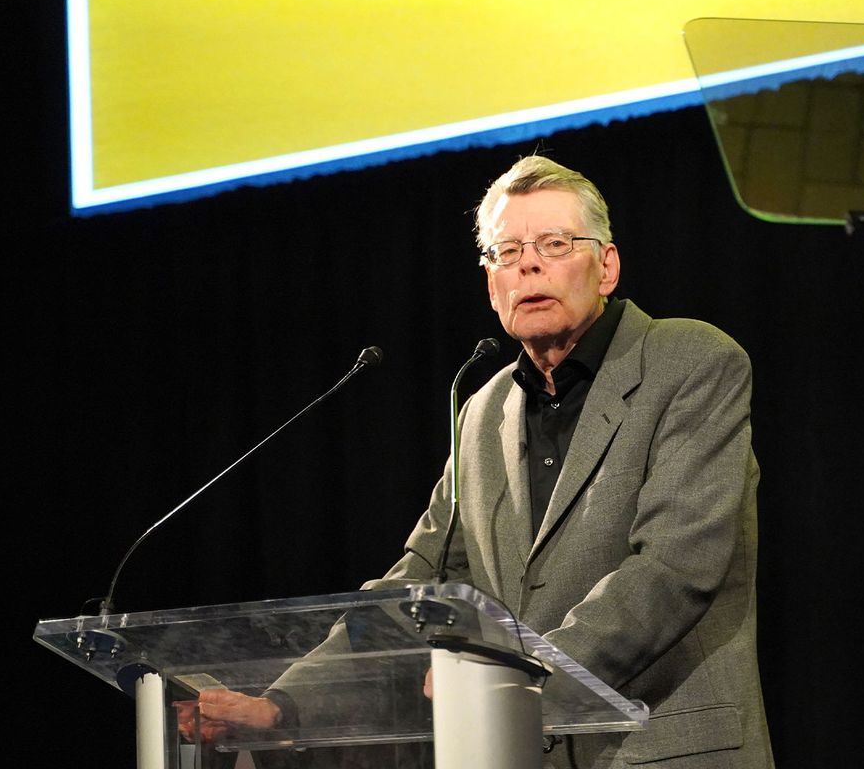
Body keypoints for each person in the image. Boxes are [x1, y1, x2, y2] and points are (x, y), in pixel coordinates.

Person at [181, 156, 774, 768]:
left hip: (667, 752)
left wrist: (523, 677)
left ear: (607, 267)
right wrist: (285, 705)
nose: (530, 264)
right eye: (508, 251)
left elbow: (677, 567)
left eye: (555, 243)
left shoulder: (690, 361)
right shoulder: (483, 411)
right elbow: (416, 586)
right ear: (492, 285)